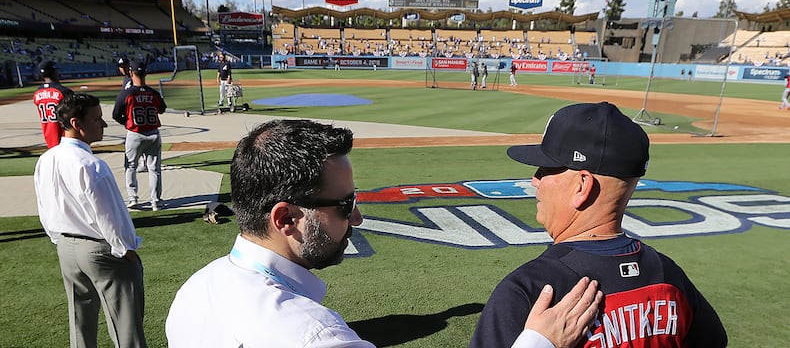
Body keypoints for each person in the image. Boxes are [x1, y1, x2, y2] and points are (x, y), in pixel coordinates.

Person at [166, 119, 602, 348]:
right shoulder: (311, 336)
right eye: (344, 205)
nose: (355, 219)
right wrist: (539, 343)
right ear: (285, 219)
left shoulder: (194, 290)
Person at [470, 102, 727, 348]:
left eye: (545, 169)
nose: (535, 180)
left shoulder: (531, 289)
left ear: (582, 186)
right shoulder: (668, 275)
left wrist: (538, 343)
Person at [33, 93, 146, 347]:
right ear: (77, 124)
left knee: (80, 324)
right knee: (126, 328)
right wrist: (127, 250)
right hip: (101, 249)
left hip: (66, 246)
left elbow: (45, 207)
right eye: (97, 119)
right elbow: (112, 217)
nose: (103, 125)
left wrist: (58, 238)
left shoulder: (46, 159)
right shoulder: (91, 165)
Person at [112, 60, 167, 211]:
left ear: (131, 73)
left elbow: (116, 114)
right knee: (154, 169)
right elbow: (162, 109)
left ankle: (133, 198)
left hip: (135, 133)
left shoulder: (127, 93)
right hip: (153, 134)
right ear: (146, 74)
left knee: (130, 167)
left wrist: (127, 121)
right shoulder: (153, 93)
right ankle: (156, 201)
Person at [33, 60, 73, 148]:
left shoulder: (37, 93)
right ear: (54, 72)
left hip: (49, 136)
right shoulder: (63, 91)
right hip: (65, 137)